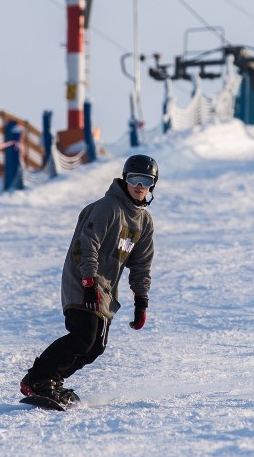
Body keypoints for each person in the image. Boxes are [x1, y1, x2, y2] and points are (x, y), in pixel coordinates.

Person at [19, 154, 157, 406]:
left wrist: (141, 300)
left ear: (152, 185)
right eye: (134, 179)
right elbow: (88, 244)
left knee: (95, 346)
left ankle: (53, 380)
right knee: (84, 335)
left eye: (145, 181)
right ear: (125, 180)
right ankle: (40, 378)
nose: (139, 186)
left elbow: (141, 264)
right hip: (83, 278)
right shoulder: (108, 207)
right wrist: (88, 281)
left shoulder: (144, 222)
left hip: (105, 288)